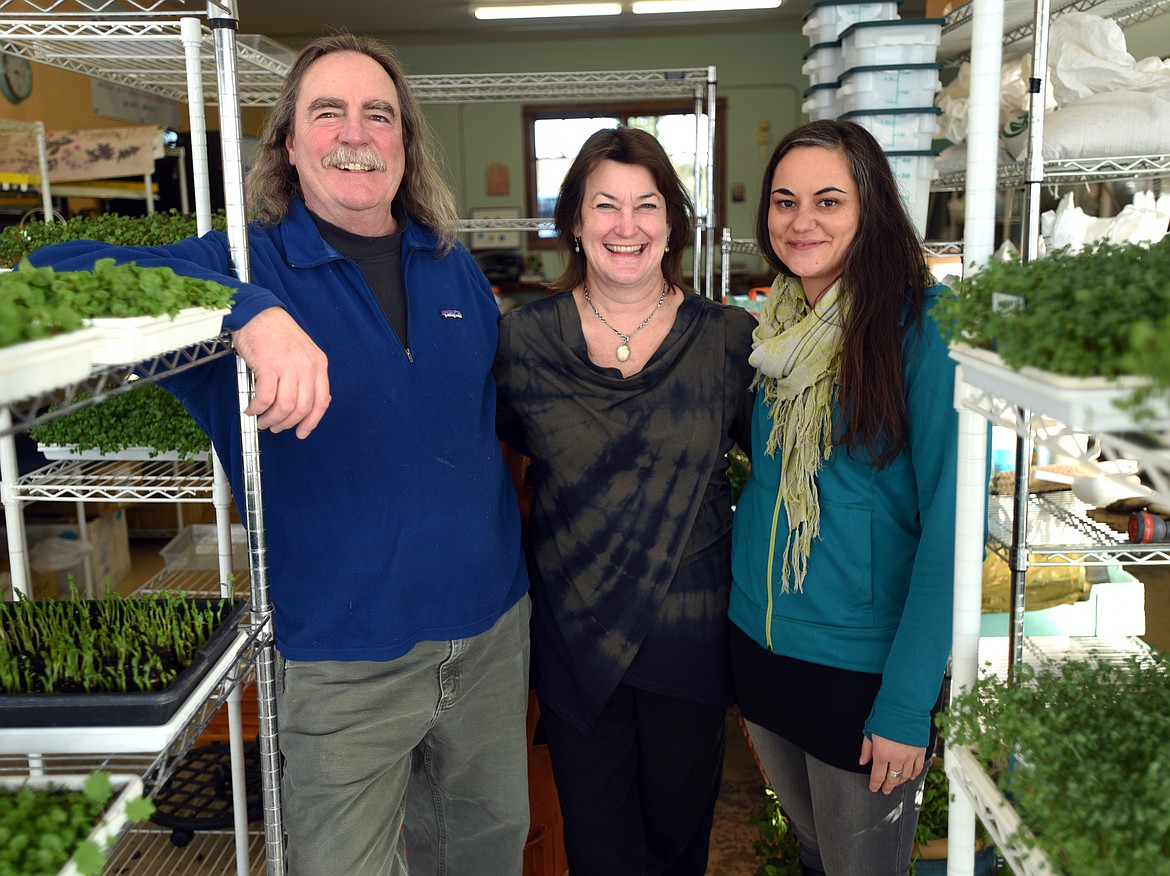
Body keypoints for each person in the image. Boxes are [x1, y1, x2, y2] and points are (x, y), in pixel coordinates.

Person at [29, 33, 531, 876]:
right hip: (342, 663)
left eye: (379, 116)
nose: (356, 134)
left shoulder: (453, 269)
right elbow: (53, 268)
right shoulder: (233, 265)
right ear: (289, 146)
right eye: (326, 113)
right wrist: (244, 312)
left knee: (485, 853)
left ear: (404, 144)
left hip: (488, 637)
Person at [493, 126, 757, 876]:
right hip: (577, 643)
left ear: (672, 221)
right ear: (574, 221)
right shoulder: (525, 344)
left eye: (647, 205)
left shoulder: (727, 341)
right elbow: (509, 464)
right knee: (600, 849)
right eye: (604, 205)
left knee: (679, 844)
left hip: (690, 640)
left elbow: (771, 471)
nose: (627, 226)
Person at [728, 119, 958, 876]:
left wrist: (905, 704)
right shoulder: (774, 328)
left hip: (860, 674)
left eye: (829, 201)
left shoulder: (923, 329)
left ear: (872, 210)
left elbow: (949, 532)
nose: (802, 222)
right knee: (812, 854)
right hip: (762, 655)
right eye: (785, 201)